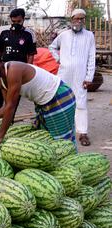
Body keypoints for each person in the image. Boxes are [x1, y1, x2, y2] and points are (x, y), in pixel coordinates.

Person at [0, 45, 77, 148]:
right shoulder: (1, 81)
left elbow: (11, 107)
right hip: (45, 102)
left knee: (63, 144)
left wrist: (0, 136)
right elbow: (6, 107)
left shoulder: (13, 70)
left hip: (58, 96)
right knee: (47, 140)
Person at [49, 9, 96, 146]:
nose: (79, 21)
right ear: (72, 20)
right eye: (77, 18)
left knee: (81, 102)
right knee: (61, 100)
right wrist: (58, 59)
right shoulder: (63, 35)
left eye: (82, 19)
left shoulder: (89, 36)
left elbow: (92, 57)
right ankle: (61, 131)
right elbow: (52, 47)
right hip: (64, 73)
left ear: (84, 21)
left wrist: (89, 77)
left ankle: (83, 133)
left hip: (81, 75)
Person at [0, 8, 37, 115]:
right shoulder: (4, 33)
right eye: (13, 22)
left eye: (19, 22)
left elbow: (31, 54)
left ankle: (9, 121)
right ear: (10, 20)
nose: (16, 24)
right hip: (3, 70)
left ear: (23, 19)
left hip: (18, 73)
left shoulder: (29, 34)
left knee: (13, 100)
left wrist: (28, 70)